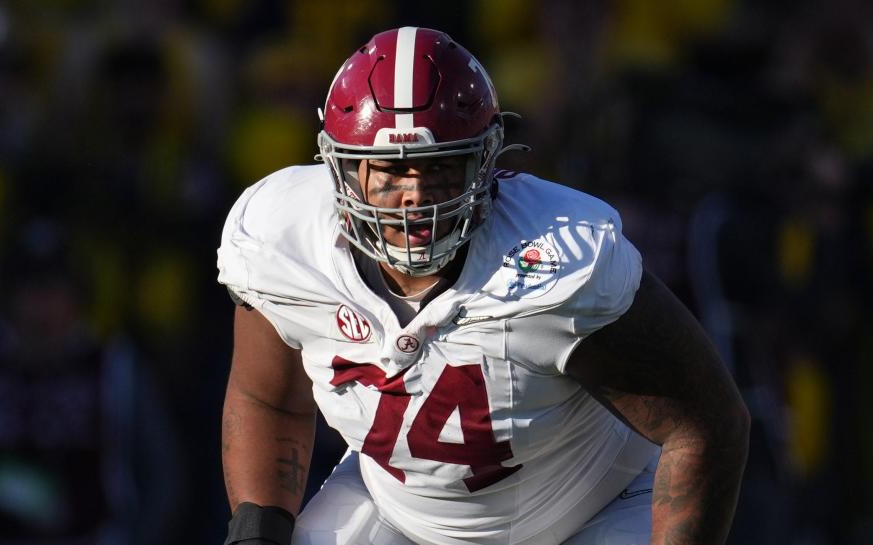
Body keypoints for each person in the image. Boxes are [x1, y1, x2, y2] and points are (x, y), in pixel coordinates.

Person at [217, 27, 750, 545]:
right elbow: (269, 400)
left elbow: (707, 423)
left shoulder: (560, 264)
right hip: (397, 514)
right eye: (390, 170)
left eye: (441, 167)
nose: (415, 196)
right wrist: (256, 535)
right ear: (340, 169)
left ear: (487, 160)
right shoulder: (282, 239)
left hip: (594, 509)